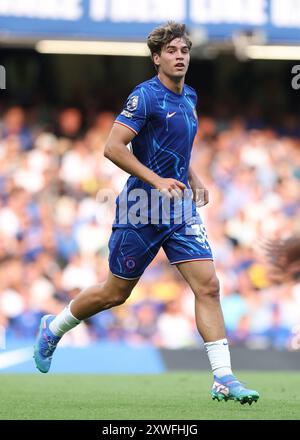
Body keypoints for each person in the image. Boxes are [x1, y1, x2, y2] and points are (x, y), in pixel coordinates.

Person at [34, 22, 259, 405]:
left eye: (184, 50)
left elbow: (176, 148)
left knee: (209, 285)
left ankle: (223, 377)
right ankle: (53, 328)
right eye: (171, 51)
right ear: (157, 58)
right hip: (141, 208)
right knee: (114, 293)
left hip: (179, 209)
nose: (180, 56)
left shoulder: (190, 96)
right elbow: (114, 146)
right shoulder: (145, 96)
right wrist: (156, 181)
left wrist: (194, 176)